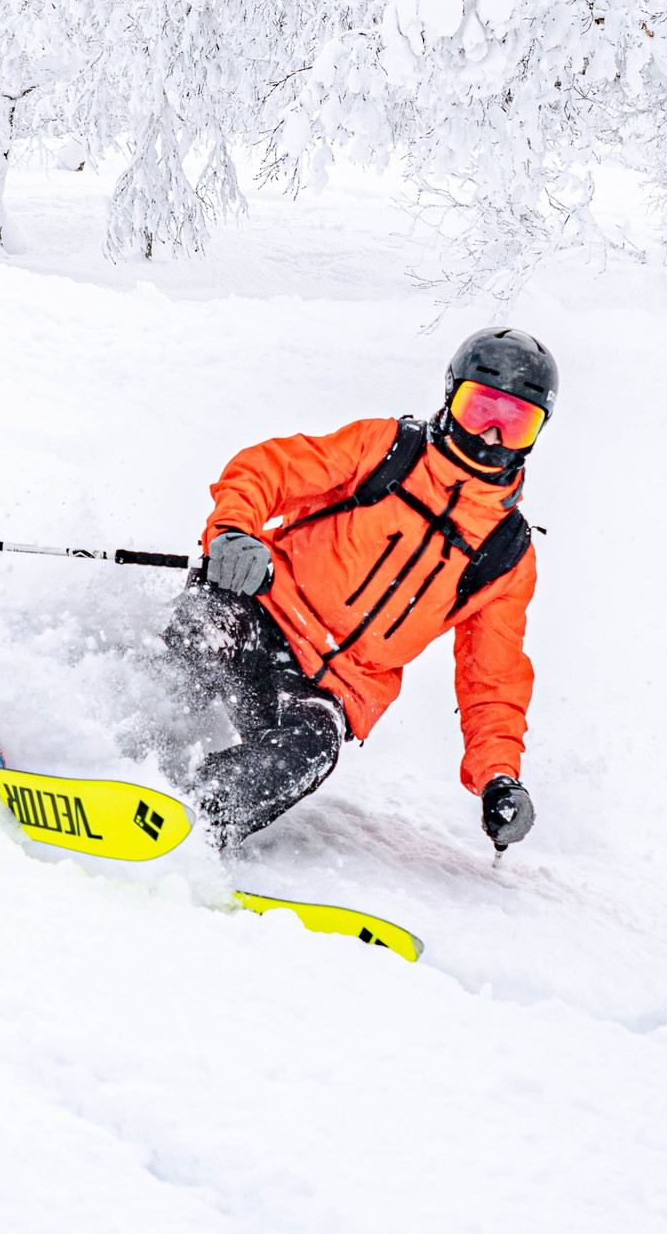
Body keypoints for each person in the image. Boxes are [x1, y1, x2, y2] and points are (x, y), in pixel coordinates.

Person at [166, 329, 557, 855]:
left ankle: (184, 821)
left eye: (515, 423)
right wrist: (234, 532)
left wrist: (498, 776)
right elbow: (270, 468)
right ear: (450, 396)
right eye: (479, 409)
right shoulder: (387, 450)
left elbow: (492, 677)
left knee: (312, 749)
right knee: (202, 638)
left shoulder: (504, 553)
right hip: (260, 608)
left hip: (330, 688)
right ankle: (98, 740)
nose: (491, 436)